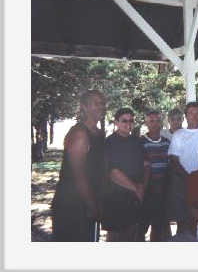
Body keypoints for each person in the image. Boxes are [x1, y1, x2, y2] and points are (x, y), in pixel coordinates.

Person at [51, 90, 106, 241]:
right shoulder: (80, 134)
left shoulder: (98, 133)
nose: (101, 106)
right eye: (96, 103)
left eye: (103, 103)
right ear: (84, 107)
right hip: (72, 205)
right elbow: (78, 174)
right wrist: (93, 205)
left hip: (88, 202)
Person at [167, 102, 198, 234]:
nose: (194, 116)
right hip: (184, 183)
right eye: (191, 113)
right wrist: (189, 179)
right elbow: (174, 160)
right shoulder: (179, 134)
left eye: (197, 113)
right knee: (183, 220)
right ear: (186, 116)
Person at [101, 108, 149, 242]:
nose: (128, 124)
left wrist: (142, 186)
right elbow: (114, 173)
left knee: (131, 234)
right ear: (116, 122)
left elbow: (146, 165)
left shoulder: (136, 141)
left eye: (131, 121)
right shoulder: (110, 143)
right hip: (116, 198)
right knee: (115, 237)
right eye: (124, 121)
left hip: (135, 197)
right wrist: (136, 188)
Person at [139, 110, 172, 242]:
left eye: (158, 121)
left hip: (162, 189)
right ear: (146, 123)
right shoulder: (140, 142)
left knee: (160, 226)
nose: (155, 124)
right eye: (151, 121)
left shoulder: (166, 142)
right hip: (147, 189)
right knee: (141, 227)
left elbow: (169, 165)